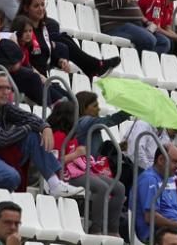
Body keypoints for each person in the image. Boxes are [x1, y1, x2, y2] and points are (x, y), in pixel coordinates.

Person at [0, 68, 83, 196]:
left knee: (33, 136)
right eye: (1, 88)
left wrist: (45, 127)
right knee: (12, 176)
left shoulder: (2, 105)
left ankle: (54, 183)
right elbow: (1, 139)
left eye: (8, 88)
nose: (6, 92)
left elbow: (26, 116)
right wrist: (29, 127)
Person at [45, 100, 124, 235]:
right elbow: (52, 162)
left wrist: (82, 155)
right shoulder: (57, 136)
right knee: (101, 187)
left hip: (77, 171)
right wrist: (76, 154)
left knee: (119, 188)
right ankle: (96, 227)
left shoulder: (71, 136)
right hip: (63, 175)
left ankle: (112, 229)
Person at [21, 0, 119, 78]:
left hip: (44, 71)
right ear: (26, 8)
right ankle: (93, 66)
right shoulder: (23, 28)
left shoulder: (43, 27)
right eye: (36, 6)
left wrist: (60, 61)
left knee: (63, 38)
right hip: (35, 77)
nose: (41, 9)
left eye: (42, 5)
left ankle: (93, 66)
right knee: (62, 40)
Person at [126, 102, 177, 171]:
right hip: (135, 171)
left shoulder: (175, 138)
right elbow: (136, 155)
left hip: (156, 175)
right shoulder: (143, 125)